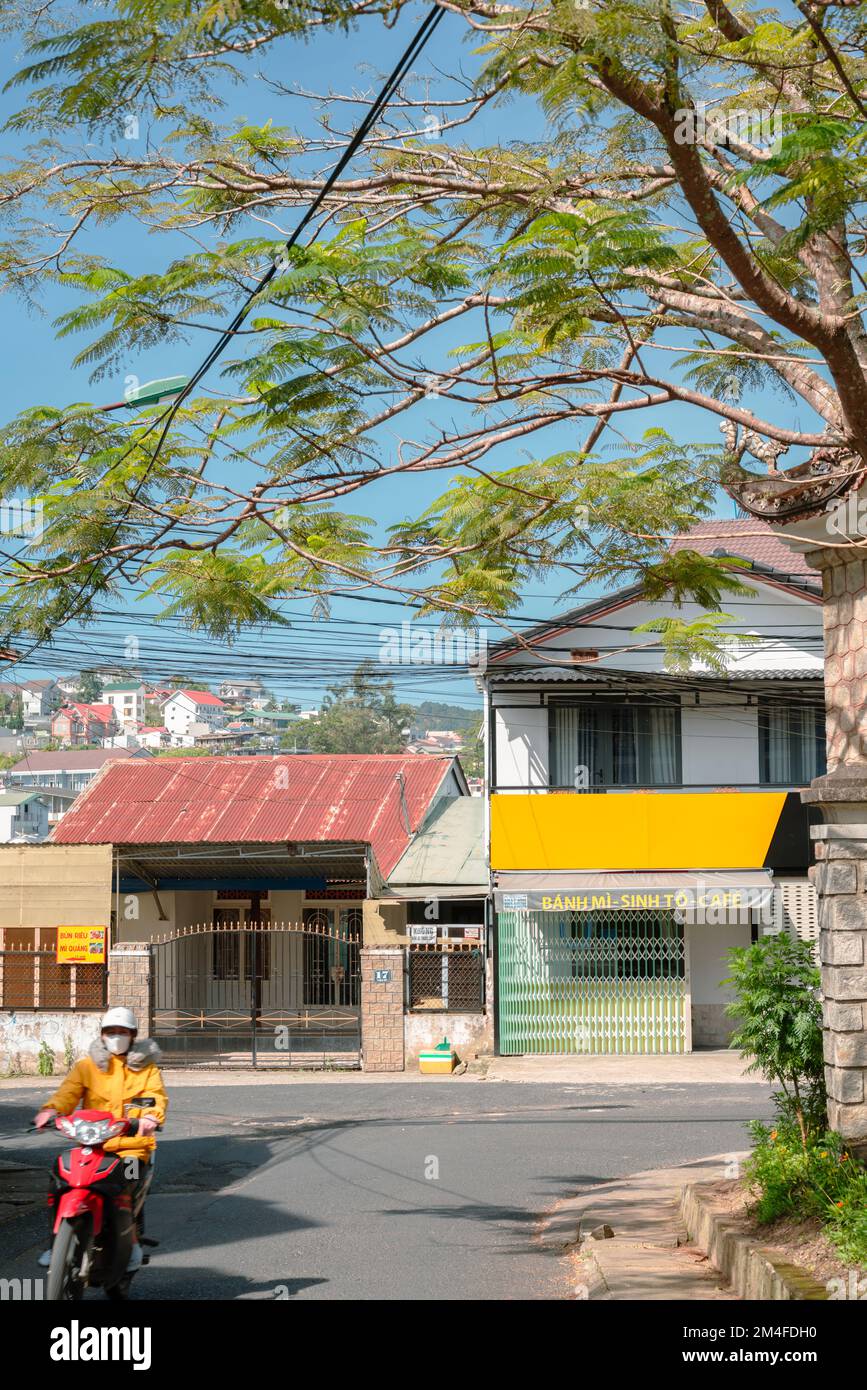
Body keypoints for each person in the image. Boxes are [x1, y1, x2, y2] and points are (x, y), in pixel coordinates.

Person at [34, 1006, 168, 1272]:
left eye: (122, 1032)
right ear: (102, 1035)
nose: (116, 1036)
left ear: (133, 1035)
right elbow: (68, 1093)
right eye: (111, 1032)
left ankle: (134, 1241)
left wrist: (150, 1117)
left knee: (129, 1183)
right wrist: (51, 1111)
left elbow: (155, 1096)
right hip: (93, 1145)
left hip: (133, 1147)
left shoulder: (147, 1068)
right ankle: (55, 1242)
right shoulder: (87, 1066)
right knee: (59, 1178)